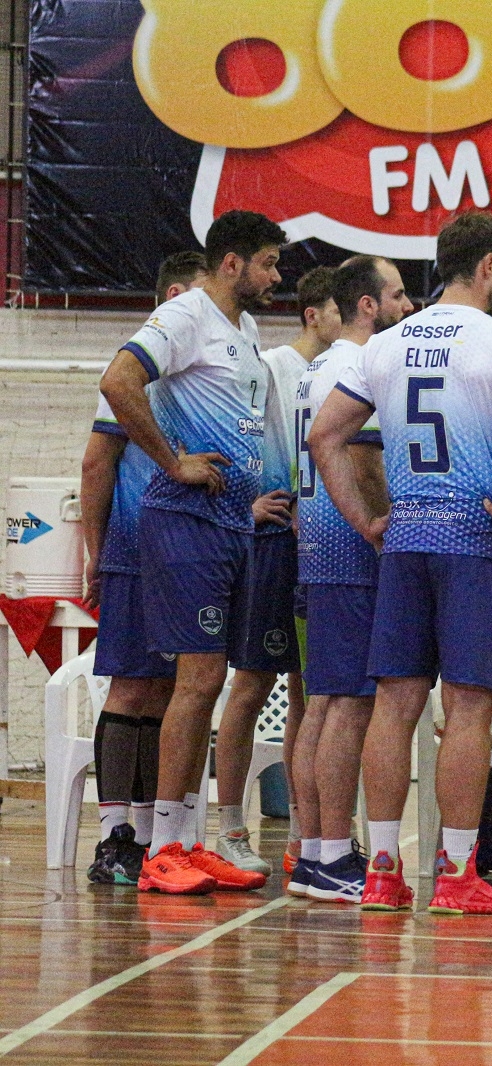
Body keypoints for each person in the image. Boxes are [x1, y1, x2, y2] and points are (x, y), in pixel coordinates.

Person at [310, 212, 492, 916]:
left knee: (394, 705)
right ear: (487, 267)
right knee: (470, 707)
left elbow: (323, 435)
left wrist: (365, 522)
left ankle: (383, 870)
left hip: (406, 538)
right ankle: (455, 874)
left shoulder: (385, 346)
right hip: (473, 543)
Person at [99, 211, 286, 894]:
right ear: (231, 262)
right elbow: (118, 382)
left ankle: (183, 838)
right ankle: (160, 852)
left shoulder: (245, 329)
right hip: (184, 519)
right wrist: (173, 462)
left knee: (205, 683)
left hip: (229, 524)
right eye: (268, 262)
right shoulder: (185, 316)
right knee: (198, 679)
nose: (276, 276)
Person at [287, 255, 412, 902]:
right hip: (349, 552)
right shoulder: (360, 365)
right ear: (369, 305)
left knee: (325, 703)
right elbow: (359, 458)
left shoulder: (317, 366)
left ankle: (314, 851)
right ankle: (334, 853)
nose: (408, 305)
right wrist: (379, 523)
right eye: (397, 295)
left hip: (319, 549)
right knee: (350, 705)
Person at [79, 251, 205, 885]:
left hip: (182, 555)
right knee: (131, 688)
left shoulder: (198, 374)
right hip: (133, 551)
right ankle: (113, 837)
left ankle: (156, 835)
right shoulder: (137, 371)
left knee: (165, 692)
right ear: (177, 296)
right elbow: (96, 465)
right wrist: (97, 553)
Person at [210, 266, 340, 877]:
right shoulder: (273, 368)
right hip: (272, 546)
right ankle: (229, 825)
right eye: (343, 308)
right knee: (251, 685)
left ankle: (307, 833)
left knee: (312, 696)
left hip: (321, 545)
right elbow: (235, 442)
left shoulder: (348, 372)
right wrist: (246, 507)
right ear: (315, 312)